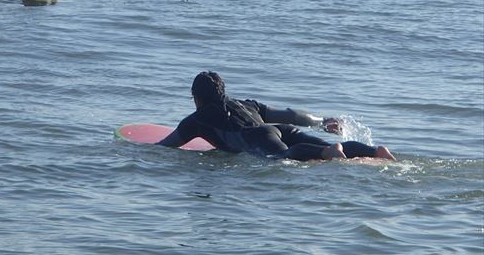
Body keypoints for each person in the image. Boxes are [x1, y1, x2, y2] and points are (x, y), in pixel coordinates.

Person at [157, 71, 396, 161]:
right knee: (328, 146)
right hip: (280, 129)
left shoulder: (196, 120)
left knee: (283, 156)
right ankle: (375, 151)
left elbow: (167, 145)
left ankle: (327, 153)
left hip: (258, 138)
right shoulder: (244, 103)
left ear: (197, 98)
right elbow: (291, 115)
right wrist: (322, 122)